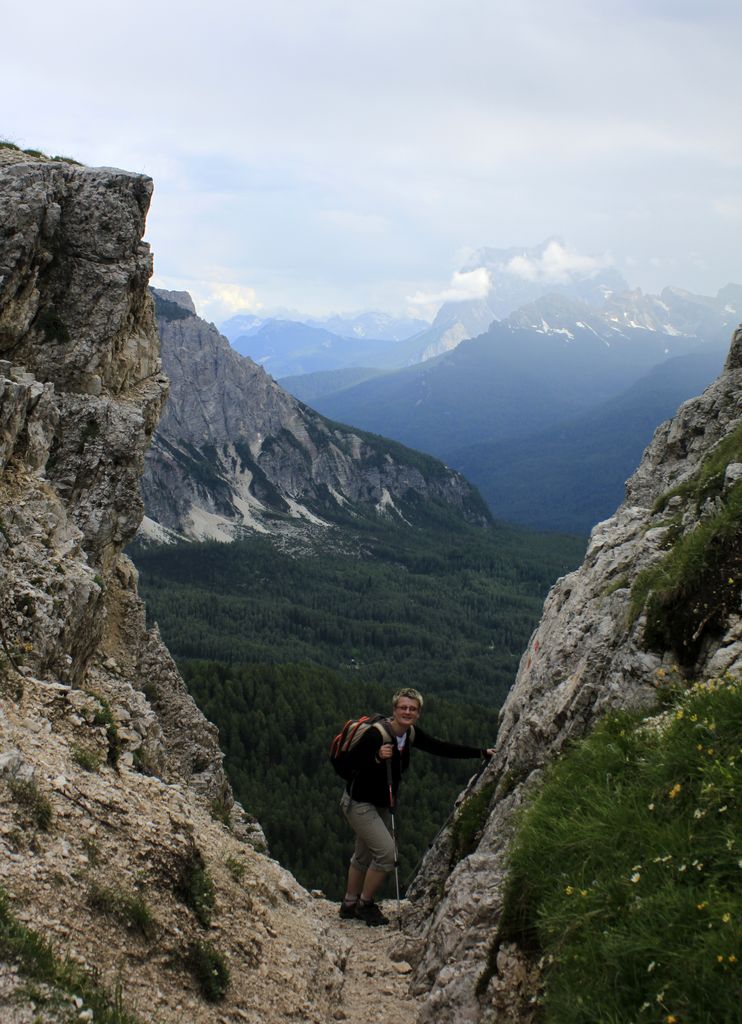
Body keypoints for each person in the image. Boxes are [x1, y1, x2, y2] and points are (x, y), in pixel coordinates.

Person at [338, 686, 495, 926]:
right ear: (394, 710)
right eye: (403, 707)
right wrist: (377, 757)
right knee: (387, 855)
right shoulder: (376, 735)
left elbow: (440, 747)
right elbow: (347, 766)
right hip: (358, 803)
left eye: (412, 709)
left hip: (378, 804)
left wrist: (481, 753)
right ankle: (365, 904)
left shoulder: (409, 734)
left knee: (363, 855)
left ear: (418, 713)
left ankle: (349, 904)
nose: (407, 712)